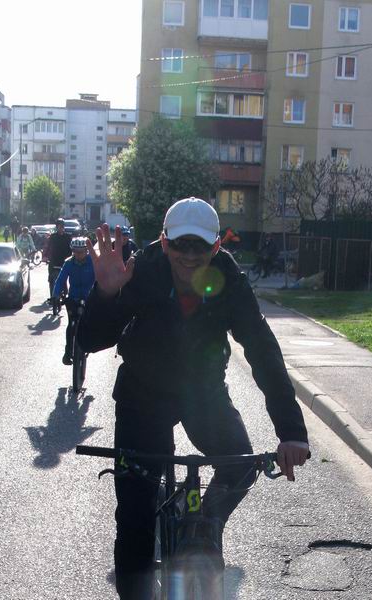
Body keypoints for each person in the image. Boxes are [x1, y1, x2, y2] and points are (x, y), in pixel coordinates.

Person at [78, 197, 309, 600]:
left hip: (203, 391)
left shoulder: (228, 278)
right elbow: (90, 339)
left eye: (199, 247)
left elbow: (261, 348)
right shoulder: (142, 270)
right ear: (164, 242)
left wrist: (292, 431)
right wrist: (106, 293)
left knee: (239, 465)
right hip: (141, 396)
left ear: (216, 246)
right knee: (135, 517)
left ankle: (201, 521)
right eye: (180, 245)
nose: (189, 256)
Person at [52, 237, 96, 365]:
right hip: (74, 297)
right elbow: (60, 280)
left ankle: (87, 345)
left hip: (89, 297)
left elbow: (99, 278)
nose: (78, 254)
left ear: (86, 251)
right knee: (71, 324)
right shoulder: (68, 263)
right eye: (75, 251)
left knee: (89, 322)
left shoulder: (93, 262)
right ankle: (68, 352)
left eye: (81, 251)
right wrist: (55, 295)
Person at [47, 218, 73, 303]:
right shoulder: (53, 237)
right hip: (54, 260)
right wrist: (45, 256)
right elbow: (47, 247)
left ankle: (65, 293)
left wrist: (73, 256)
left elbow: (72, 249)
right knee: (51, 278)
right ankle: (52, 297)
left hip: (65, 260)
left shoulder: (68, 237)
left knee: (64, 277)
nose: (60, 228)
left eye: (62, 226)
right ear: (56, 227)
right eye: (59, 226)